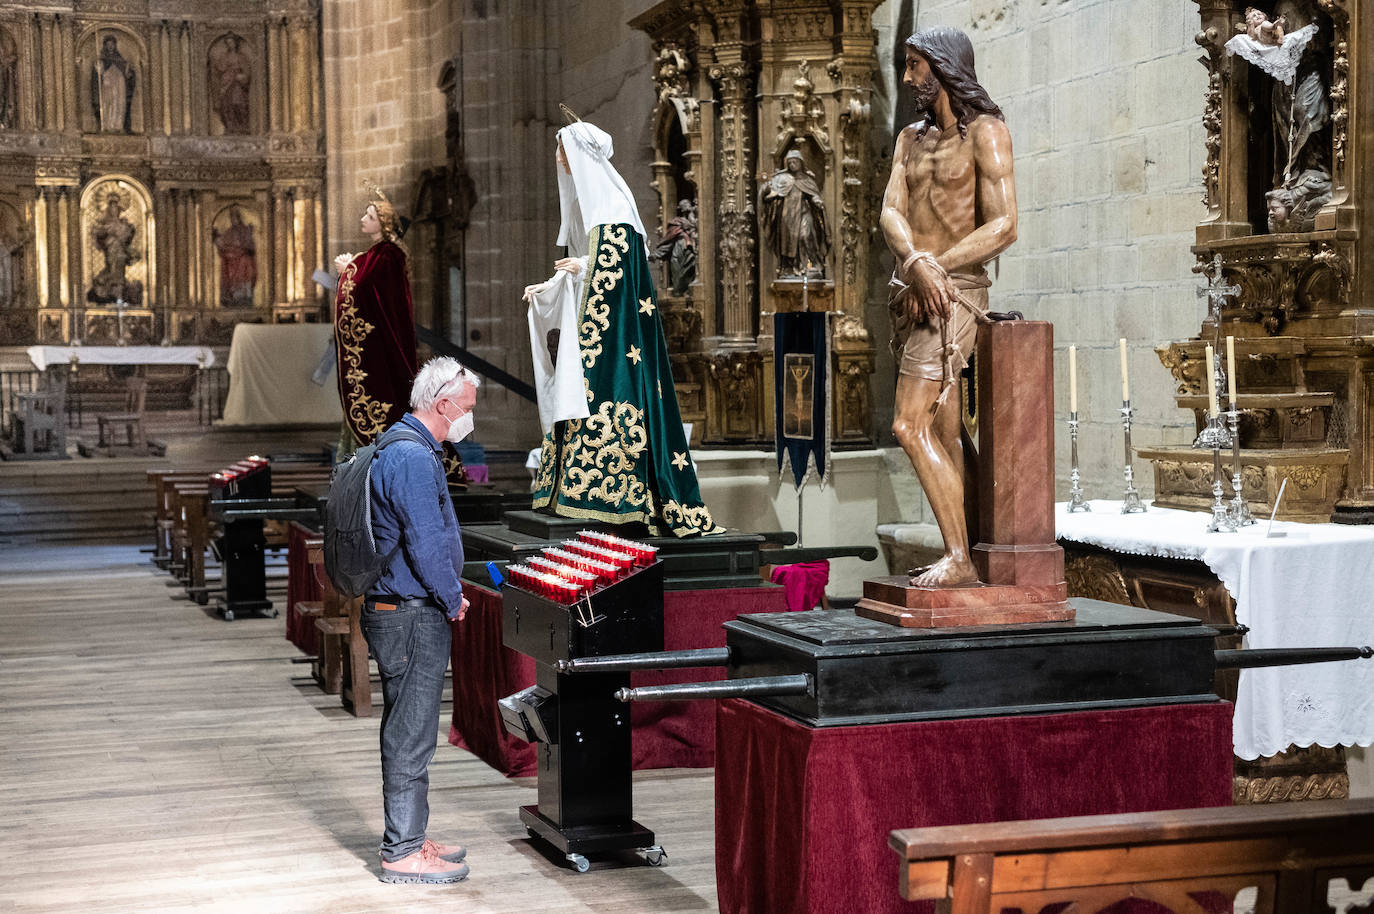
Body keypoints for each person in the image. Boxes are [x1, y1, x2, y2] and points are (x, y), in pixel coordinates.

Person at [523, 116, 721, 537]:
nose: (560, 161)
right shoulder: (589, 208)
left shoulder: (613, 205)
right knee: (577, 394)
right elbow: (582, 266)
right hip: (593, 332)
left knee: (603, 396)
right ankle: (570, 490)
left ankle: (613, 494)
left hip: (616, 342)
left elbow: (618, 269)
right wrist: (551, 285)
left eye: (564, 153)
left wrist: (581, 267)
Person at [879, 26, 1018, 587]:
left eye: (915, 66)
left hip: (956, 294)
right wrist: (915, 261)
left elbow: (1006, 224)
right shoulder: (910, 139)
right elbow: (890, 210)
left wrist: (938, 267)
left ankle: (960, 558)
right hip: (915, 290)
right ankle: (965, 556)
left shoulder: (986, 132)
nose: (909, 77)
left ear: (942, 66)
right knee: (944, 428)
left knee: (907, 425)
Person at [362, 356, 479, 884]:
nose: (469, 419)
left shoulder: (404, 445)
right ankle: (402, 852)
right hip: (410, 614)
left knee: (410, 729)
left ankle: (411, 834)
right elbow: (426, 541)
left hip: (403, 610)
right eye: (467, 409)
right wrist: (452, 595)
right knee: (411, 734)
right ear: (443, 404)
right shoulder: (412, 457)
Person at [333, 187, 417, 456]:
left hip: (380, 345)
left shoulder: (389, 255)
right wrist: (351, 270)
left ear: (382, 222)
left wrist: (348, 271)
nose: (362, 219)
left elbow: (367, 288)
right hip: (372, 344)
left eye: (368, 215)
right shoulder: (376, 254)